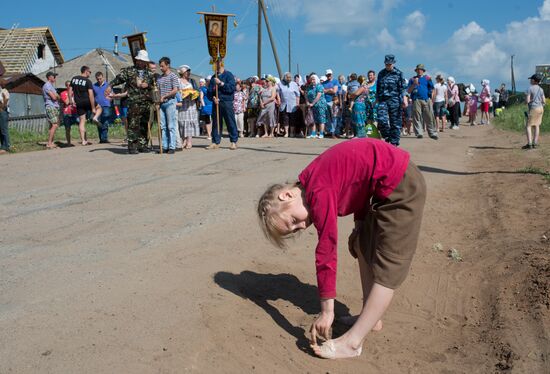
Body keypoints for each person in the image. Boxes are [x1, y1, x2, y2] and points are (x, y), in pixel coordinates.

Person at [257, 138, 426, 359]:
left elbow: (326, 250)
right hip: (384, 189)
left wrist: (327, 311)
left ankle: (353, 343)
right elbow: (359, 180)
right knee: (361, 244)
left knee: (390, 266)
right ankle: (371, 317)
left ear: (287, 195)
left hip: (403, 187)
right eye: (295, 229)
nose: (301, 226)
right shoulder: (313, 182)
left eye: (293, 222)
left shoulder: (318, 190)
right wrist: (360, 224)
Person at [106, 50, 155, 154]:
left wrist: (148, 85)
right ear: (137, 60)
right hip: (134, 102)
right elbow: (119, 79)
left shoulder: (150, 74)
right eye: (140, 60)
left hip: (146, 102)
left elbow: (153, 87)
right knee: (133, 124)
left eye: (143, 61)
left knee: (144, 124)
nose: (141, 62)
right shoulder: (129, 71)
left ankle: (143, 145)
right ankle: (132, 146)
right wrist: (110, 86)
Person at [206, 58, 238, 150]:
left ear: (221, 63)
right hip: (216, 103)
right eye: (214, 63)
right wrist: (213, 98)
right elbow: (209, 92)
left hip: (226, 102)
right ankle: (215, 142)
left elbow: (231, 88)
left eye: (217, 62)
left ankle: (233, 141)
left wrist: (220, 83)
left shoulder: (229, 75)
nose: (215, 64)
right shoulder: (213, 77)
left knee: (230, 121)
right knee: (216, 123)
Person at [376, 55, 406, 146]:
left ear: (393, 63)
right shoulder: (381, 73)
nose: (388, 65)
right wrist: (377, 99)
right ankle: (387, 137)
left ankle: (394, 143)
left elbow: (403, 88)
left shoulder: (399, 73)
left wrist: (404, 99)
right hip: (383, 100)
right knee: (381, 120)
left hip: (395, 100)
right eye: (386, 64)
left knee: (395, 123)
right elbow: (378, 87)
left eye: (390, 64)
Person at [154, 57, 179, 153]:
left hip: (170, 102)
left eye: (162, 66)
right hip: (161, 104)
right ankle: (164, 146)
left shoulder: (173, 76)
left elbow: (175, 90)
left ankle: (172, 146)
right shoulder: (159, 78)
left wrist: (164, 96)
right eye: (160, 66)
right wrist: (157, 100)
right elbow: (158, 90)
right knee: (163, 126)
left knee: (170, 126)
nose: (160, 68)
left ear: (168, 65)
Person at [407, 64, 437, 140]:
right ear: (416, 71)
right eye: (418, 70)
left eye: (421, 70)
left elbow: (433, 89)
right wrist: (414, 84)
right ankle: (419, 133)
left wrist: (432, 99)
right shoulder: (412, 79)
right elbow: (409, 91)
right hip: (416, 99)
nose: (419, 71)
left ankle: (432, 132)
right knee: (416, 117)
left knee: (429, 116)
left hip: (426, 99)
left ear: (423, 71)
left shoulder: (427, 78)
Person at [69, 66, 96, 146]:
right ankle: (95, 117)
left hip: (78, 103)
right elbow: (91, 95)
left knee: (82, 121)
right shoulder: (88, 81)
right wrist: (93, 107)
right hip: (87, 101)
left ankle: (83, 141)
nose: (90, 74)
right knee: (99, 108)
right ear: (86, 71)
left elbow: (70, 91)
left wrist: (71, 101)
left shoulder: (74, 79)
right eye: (90, 72)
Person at [523, 73, 546, 149]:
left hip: (534, 108)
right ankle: (535, 143)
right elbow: (544, 101)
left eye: (531, 79)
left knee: (528, 126)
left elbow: (527, 101)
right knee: (537, 125)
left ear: (533, 80)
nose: (530, 80)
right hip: (541, 108)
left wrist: (526, 101)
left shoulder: (530, 88)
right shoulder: (541, 89)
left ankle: (529, 144)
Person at [277, 72, 300, 137]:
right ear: (285, 77)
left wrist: (297, 103)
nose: (289, 79)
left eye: (290, 77)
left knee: (292, 118)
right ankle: (286, 132)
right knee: (285, 118)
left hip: (292, 104)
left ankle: (292, 132)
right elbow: (278, 93)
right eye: (287, 77)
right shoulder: (280, 84)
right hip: (284, 104)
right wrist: (279, 100)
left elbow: (298, 95)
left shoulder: (294, 84)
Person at [92, 72, 112, 143]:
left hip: (106, 105)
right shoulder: (93, 86)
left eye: (100, 78)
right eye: (97, 79)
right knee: (99, 122)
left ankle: (104, 138)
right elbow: (91, 96)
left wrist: (111, 98)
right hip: (97, 106)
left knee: (105, 122)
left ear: (103, 77)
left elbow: (112, 94)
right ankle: (101, 139)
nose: (99, 80)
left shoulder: (108, 85)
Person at [305, 74, 327, 138]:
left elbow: (318, 96)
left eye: (313, 79)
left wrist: (313, 103)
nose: (312, 81)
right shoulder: (309, 87)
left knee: (321, 119)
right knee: (313, 119)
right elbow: (306, 95)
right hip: (312, 105)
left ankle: (321, 133)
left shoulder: (319, 86)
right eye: (311, 79)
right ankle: (313, 133)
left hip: (320, 104)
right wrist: (307, 102)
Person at [42, 71, 61, 149]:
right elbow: (54, 97)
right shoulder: (47, 86)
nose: (55, 78)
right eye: (54, 76)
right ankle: (49, 143)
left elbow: (58, 96)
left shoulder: (51, 86)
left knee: (52, 125)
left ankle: (51, 142)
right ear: (49, 77)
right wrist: (56, 96)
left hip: (54, 106)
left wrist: (57, 96)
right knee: (55, 125)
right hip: (51, 106)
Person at [60, 80, 78, 146]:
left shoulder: (76, 92)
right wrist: (70, 94)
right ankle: (69, 143)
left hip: (76, 112)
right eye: (68, 85)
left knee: (82, 125)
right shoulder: (63, 93)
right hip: (67, 112)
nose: (69, 86)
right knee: (67, 128)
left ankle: (84, 140)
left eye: (70, 85)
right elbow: (67, 102)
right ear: (66, 86)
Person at [322, 69, 339, 137]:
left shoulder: (335, 81)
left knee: (334, 117)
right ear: (326, 75)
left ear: (332, 74)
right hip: (326, 101)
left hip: (333, 101)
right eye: (327, 75)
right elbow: (323, 91)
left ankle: (333, 132)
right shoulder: (323, 83)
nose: (329, 76)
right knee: (328, 118)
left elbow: (334, 91)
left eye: (330, 74)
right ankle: (330, 131)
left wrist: (326, 90)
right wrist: (330, 89)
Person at [0, 78, 10, 154]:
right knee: (1, 129)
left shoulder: (4, 91)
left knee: (4, 129)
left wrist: (2, 108)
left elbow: (6, 100)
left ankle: (6, 146)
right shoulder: (1, 91)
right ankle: (3, 146)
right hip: (2, 111)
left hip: (3, 112)